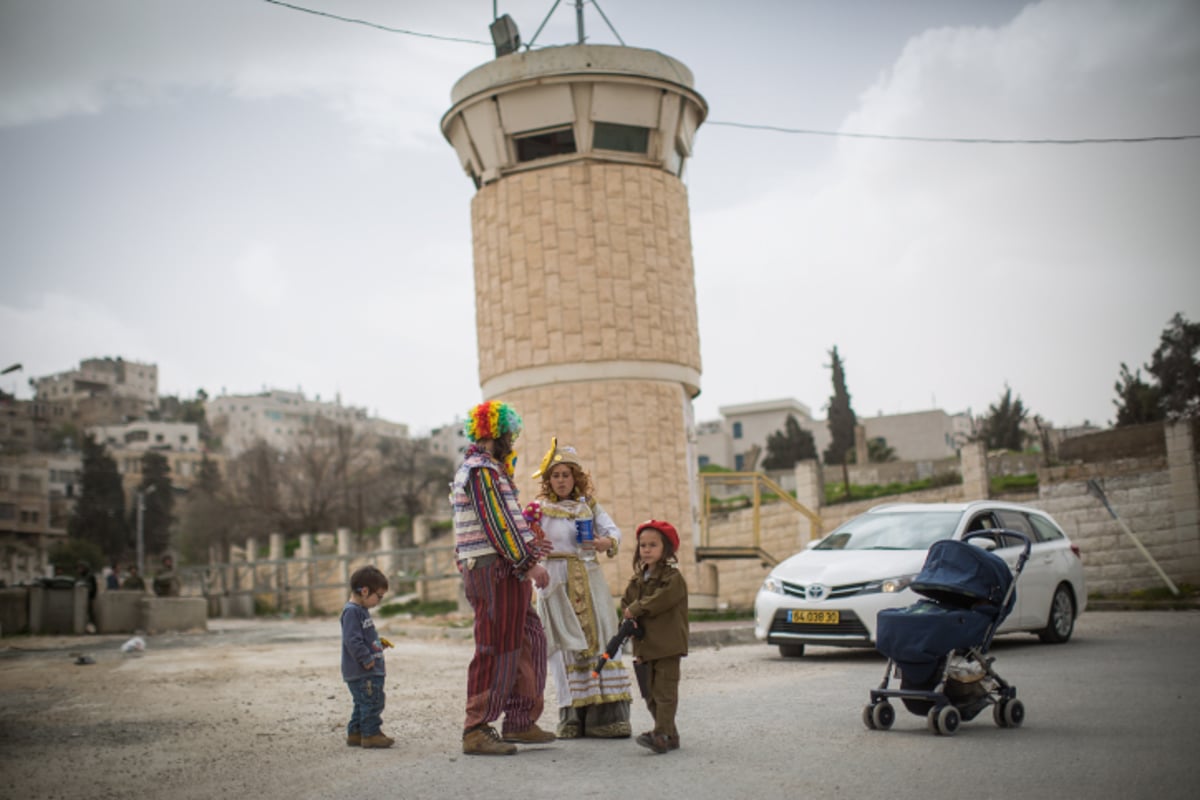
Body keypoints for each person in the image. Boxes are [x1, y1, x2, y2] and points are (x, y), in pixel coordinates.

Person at [451, 400, 555, 756]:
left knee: (528, 639)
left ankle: (520, 720)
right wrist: (528, 562)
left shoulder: (493, 470)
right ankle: (476, 728)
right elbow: (496, 525)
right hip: (495, 570)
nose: (513, 439)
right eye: (509, 433)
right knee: (496, 645)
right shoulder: (480, 471)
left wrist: (531, 541)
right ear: (493, 432)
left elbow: (501, 522)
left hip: (504, 568)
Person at [529, 438, 633, 739]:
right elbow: (525, 540)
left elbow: (614, 532)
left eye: (566, 474)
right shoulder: (538, 510)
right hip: (554, 581)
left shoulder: (589, 507)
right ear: (549, 480)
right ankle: (571, 715)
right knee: (561, 647)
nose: (561, 480)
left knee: (600, 640)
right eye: (555, 475)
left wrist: (604, 543)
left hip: (588, 577)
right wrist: (534, 549)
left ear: (576, 477)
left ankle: (606, 716)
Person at [620, 519, 689, 754]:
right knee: (649, 693)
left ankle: (660, 733)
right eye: (643, 545)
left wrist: (636, 609)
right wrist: (627, 618)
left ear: (666, 550)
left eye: (653, 545)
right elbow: (626, 604)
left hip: (668, 645)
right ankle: (670, 734)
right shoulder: (637, 580)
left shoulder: (673, 579)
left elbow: (661, 600)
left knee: (664, 692)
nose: (647, 550)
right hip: (644, 646)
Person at [340, 565, 394, 749]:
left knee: (362, 703)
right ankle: (371, 734)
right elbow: (352, 640)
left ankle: (356, 733)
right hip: (364, 671)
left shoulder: (361, 611)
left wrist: (377, 644)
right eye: (378, 596)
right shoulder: (352, 611)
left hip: (365, 669)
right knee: (373, 702)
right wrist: (366, 658)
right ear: (364, 591)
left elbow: (363, 637)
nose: (379, 601)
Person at [76, 561, 98, 633]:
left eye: (81, 568)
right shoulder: (82, 576)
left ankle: (92, 629)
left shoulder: (89, 576)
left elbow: (92, 587)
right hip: (84, 598)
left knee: (89, 614)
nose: (79, 569)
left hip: (88, 598)